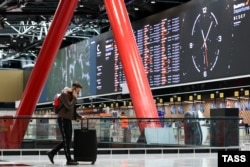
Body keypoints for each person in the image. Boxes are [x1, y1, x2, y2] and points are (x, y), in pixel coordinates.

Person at [47, 81, 86, 165]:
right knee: (66, 140)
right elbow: (68, 106)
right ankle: (68, 159)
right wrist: (75, 98)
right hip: (62, 119)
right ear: (74, 89)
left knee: (67, 140)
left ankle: (52, 153)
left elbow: (73, 110)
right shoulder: (64, 95)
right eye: (78, 90)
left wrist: (80, 117)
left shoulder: (72, 96)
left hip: (67, 119)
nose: (79, 92)